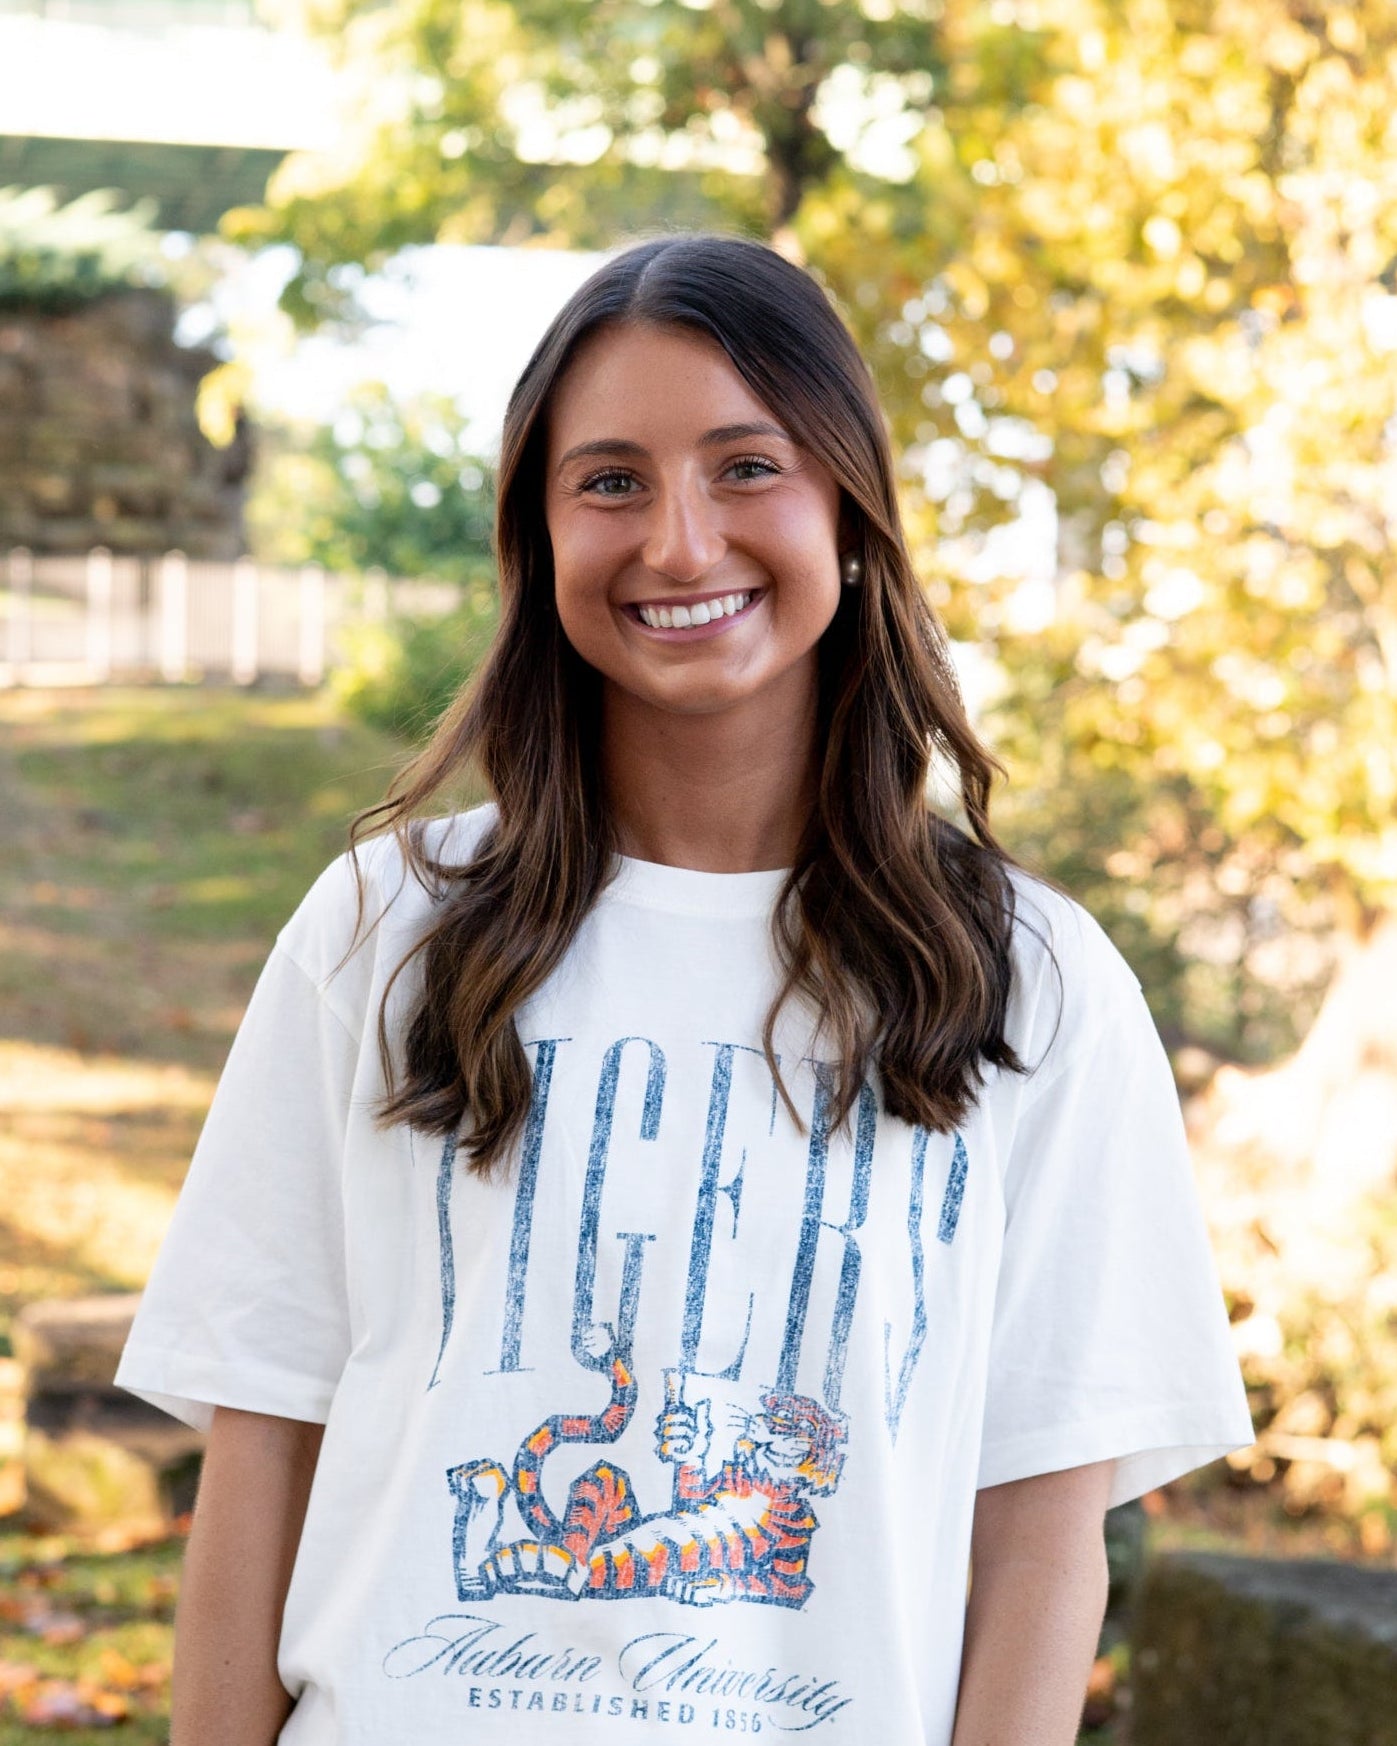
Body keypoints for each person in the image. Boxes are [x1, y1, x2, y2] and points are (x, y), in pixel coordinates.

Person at [117, 233, 1253, 1746]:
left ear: (847, 509)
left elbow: (1038, 1536)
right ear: (537, 535)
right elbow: (264, 1447)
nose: (676, 542)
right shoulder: (382, 931)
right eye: (609, 480)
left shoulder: (1028, 982)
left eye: (743, 466)